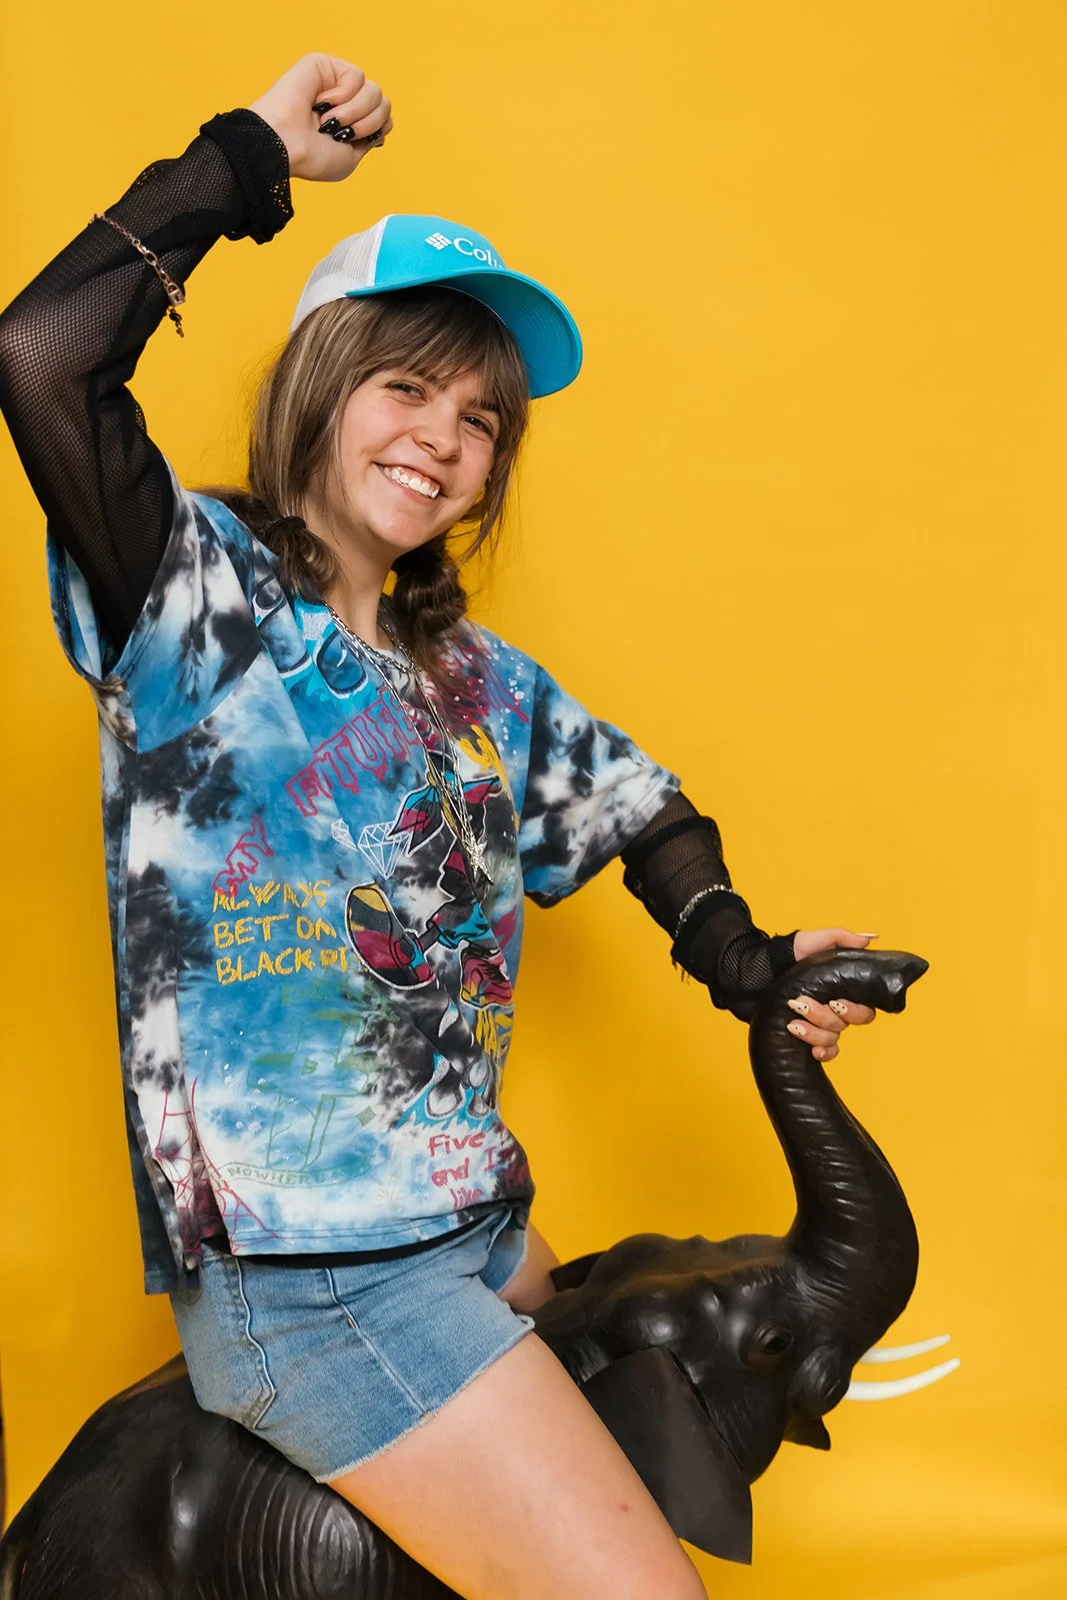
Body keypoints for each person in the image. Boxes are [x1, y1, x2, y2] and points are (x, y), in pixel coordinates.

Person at [0, 50, 880, 1600]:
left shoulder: (473, 673)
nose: (443, 436)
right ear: (319, 392)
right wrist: (247, 160)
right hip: (316, 1281)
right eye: (405, 386)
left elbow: (639, 813)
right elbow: (41, 354)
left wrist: (749, 962)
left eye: (479, 418)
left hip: (472, 1230)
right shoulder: (196, 598)